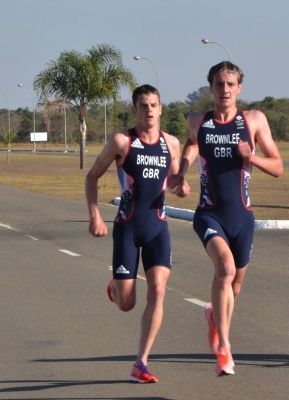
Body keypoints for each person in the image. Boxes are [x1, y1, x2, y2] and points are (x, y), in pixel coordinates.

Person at [168, 61, 283, 376]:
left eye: (231, 84)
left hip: (242, 218)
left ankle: (213, 317)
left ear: (239, 88)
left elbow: (278, 166)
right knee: (225, 269)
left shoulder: (254, 120)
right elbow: (191, 146)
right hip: (209, 213)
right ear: (211, 88)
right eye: (219, 84)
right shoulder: (198, 121)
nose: (225, 90)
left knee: (236, 286)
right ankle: (224, 348)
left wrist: (252, 158)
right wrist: (180, 172)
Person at [85, 84, 182, 384]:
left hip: (157, 229)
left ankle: (141, 362)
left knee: (159, 290)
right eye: (143, 106)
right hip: (127, 228)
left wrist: (181, 187)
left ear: (161, 108)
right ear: (134, 110)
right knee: (127, 304)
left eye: (154, 105)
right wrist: (95, 216)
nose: (149, 110)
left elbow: (176, 179)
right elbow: (92, 176)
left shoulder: (171, 144)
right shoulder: (122, 142)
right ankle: (115, 289)